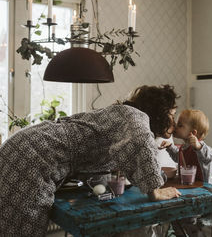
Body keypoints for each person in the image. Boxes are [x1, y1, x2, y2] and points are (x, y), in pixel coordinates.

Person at [0, 84, 181, 237]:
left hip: (26, 145)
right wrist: (154, 191)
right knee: (21, 229)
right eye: (171, 114)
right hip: (35, 155)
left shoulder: (121, 113)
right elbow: (140, 140)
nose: (174, 121)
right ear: (159, 111)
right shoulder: (136, 116)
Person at [160, 109, 212, 185]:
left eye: (180, 125)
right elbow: (179, 158)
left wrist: (199, 146)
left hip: (206, 188)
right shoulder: (184, 147)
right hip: (189, 186)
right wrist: (170, 147)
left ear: (192, 133)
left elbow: (209, 156)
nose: (175, 126)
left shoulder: (200, 146)